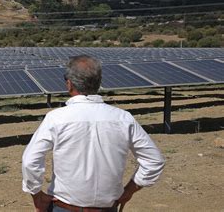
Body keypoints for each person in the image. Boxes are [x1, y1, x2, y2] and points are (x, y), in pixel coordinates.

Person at [22, 55, 165, 212]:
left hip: (64, 207)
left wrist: (36, 194)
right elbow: (154, 161)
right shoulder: (123, 119)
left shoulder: (56, 118)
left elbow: (30, 161)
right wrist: (130, 190)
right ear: (98, 83)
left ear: (69, 84)